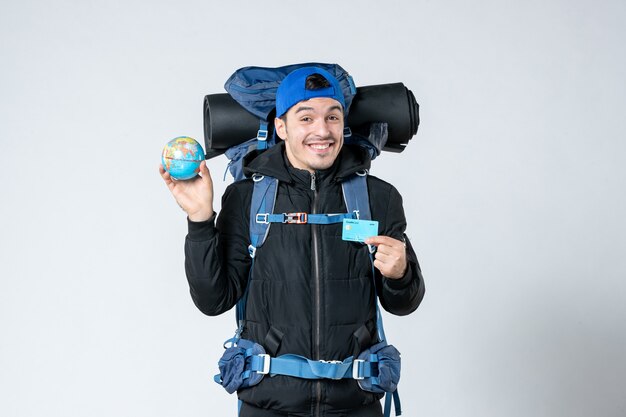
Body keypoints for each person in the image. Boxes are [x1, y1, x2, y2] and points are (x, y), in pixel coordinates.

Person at [160, 66, 425, 417]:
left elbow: (403, 303)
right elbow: (213, 299)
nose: (322, 130)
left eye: (332, 116)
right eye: (306, 117)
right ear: (281, 127)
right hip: (269, 406)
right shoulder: (246, 198)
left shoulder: (378, 197)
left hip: (355, 404)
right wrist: (200, 219)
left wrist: (400, 273)